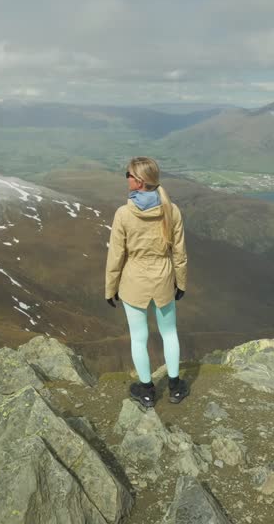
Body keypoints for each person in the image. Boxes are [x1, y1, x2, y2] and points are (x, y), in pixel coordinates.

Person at [105, 156, 189, 407]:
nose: (126, 179)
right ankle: (175, 387)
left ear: (139, 182)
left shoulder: (123, 214)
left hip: (134, 283)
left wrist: (110, 288)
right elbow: (179, 253)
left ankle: (146, 392)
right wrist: (181, 283)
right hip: (163, 280)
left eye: (128, 175)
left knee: (139, 338)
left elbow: (116, 254)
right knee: (169, 333)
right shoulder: (171, 210)